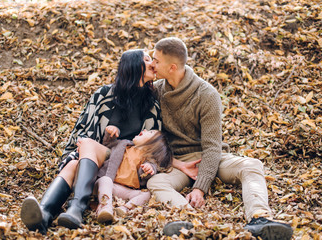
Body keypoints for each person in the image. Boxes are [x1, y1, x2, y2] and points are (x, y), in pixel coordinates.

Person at [147, 37, 293, 240]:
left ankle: (260, 219)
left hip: (212, 158)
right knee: (156, 182)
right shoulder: (156, 91)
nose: (152, 64)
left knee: (251, 165)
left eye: (156, 60)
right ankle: (188, 220)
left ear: (172, 67)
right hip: (180, 162)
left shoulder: (206, 95)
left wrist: (200, 187)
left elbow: (212, 147)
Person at [20, 49, 162, 234]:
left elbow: (155, 144)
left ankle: (77, 207)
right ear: (133, 65)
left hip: (124, 163)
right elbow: (82, 128)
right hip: (95, 159)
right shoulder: (103, 95)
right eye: (147, 59)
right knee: (73, 164)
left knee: (85, 148)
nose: (153, 64)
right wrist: (75, 152)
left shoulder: (151, 104)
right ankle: (44, 215)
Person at [80, 126, 172, 224]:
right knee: (105, 180)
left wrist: (149, 169)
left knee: (147, 194)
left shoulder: (148, 161)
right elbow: (108, 144)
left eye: (150, 132)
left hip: (125, 191)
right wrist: (111, 133)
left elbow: (150, 171)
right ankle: (105, 207)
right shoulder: (123, 144)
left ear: (153, 146)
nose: (144, 130)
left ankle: (125, 208)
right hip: (107, 184)